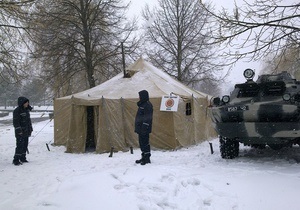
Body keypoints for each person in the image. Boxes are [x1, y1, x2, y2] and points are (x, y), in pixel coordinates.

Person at [12, 96, 33, 166]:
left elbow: (28, 121)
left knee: (25, 145)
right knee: (20, 145)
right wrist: (19, 130)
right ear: (22, 103)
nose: (27, 104)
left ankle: (23, 157)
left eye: (28, 102)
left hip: (26, 131)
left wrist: (30, 129)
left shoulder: (26, 110)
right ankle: (16, 159)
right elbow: (16, 122)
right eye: (26, 102)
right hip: (20, 132)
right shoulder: (17, 111)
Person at [134, 90, 153, 165]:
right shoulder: (142, 104)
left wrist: (144, 128)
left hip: (144, 128)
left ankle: (147, 158)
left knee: (145, 143)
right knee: (142, 143)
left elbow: (147, 118)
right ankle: (143, 157)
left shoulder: (147, 105)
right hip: (140, 128)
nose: (139, 97)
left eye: (140, 96)